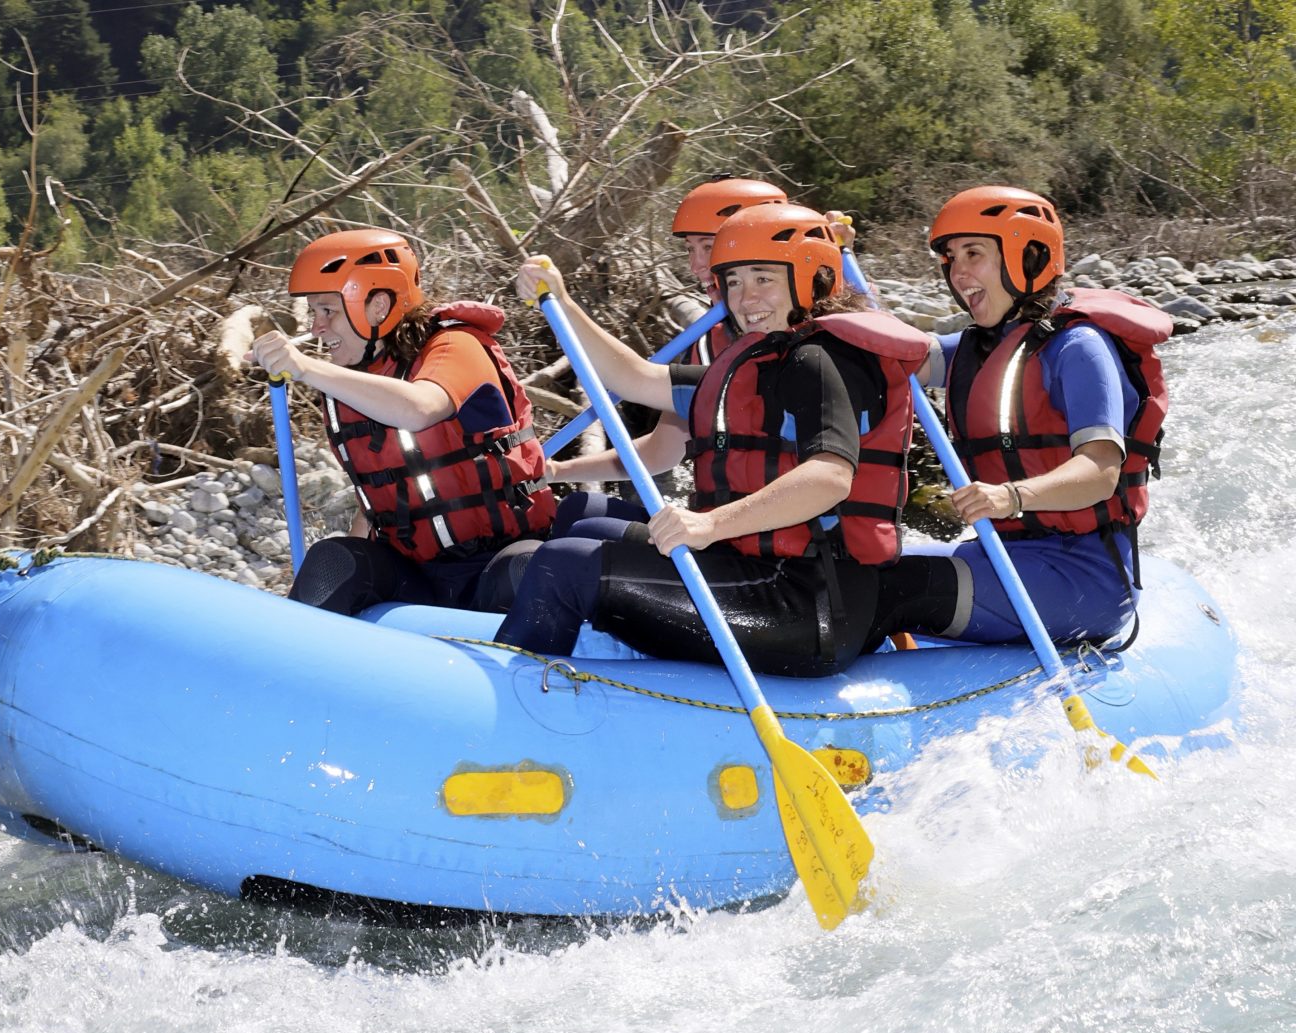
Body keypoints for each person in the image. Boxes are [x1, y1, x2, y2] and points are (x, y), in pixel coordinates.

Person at [494, 203, 930, 677]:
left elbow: (829, 479)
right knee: (588, 527)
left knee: (564, 566)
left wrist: (708, 524)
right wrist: (562, 302)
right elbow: (633, 378)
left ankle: (517, 694)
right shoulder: (759, 362)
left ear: (812, 278)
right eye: (734, 282)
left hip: (805, 605)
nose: (745, 298)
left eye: (763, 278)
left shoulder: (822, 360)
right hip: (757, 569)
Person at [872, 186, 1170, 646]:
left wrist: (1008, 497)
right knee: (864, 570)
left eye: (974, 254)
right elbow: (894, 354)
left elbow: (1100, 473)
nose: (958, 273)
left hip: (1083, 578)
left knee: (889, 590)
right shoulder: (977, 349)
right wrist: (840, 278)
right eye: (951, 258)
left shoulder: (1079, 348)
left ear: (1030, 258)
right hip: (1003, 555)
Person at [248, 228, 556, 615]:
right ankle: (297, 640)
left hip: (496, 561)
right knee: (333, 558)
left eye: (328, 311)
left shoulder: (457, 346)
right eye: (313, 313)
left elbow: (418, 408)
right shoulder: (359, 380)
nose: (315, 328)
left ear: (378, 305)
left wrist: (305, 368)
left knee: (526, 569)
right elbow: (379, 497)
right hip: (416, 573)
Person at [546, 177, 786, 535]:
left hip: (765, 538)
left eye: (709, 247)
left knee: (573, 548)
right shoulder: (708, 345)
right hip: (720, 529)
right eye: (691, 250)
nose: (697, 266)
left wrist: (564, 305)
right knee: (576, 511)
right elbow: (661, 450)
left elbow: (634, 379)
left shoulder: (813, 342)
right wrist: (555, 471)